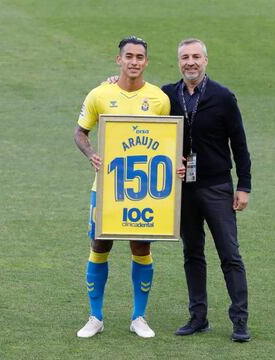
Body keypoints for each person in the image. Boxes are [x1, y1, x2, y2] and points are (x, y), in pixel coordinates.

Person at [74, 36, 171, 339]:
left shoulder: (159, 99)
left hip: (144, 192)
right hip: (105, 189)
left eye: (139, 57)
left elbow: (170, 140)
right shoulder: (100, 94)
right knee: (100, 246)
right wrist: (91, 154)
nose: (134, 61)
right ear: (119, 60)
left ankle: (139, 317)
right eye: (128, 56)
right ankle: (95, 317)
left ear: (146, 61)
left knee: (141, 247)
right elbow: (80, 132)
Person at [161, 39, 252, 342]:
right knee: (192, 253)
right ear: (179, 62)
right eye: (185, 57)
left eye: (196, 57)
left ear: (206, 61)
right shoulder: (167, 95)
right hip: (183, 188)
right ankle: (198, 316)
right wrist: (111, 80)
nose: (191, 62)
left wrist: (244, 186)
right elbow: (139, 106)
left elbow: (239, 144)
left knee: (229, 254)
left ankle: (239, 320)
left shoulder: (223, 97)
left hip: (216, 186)